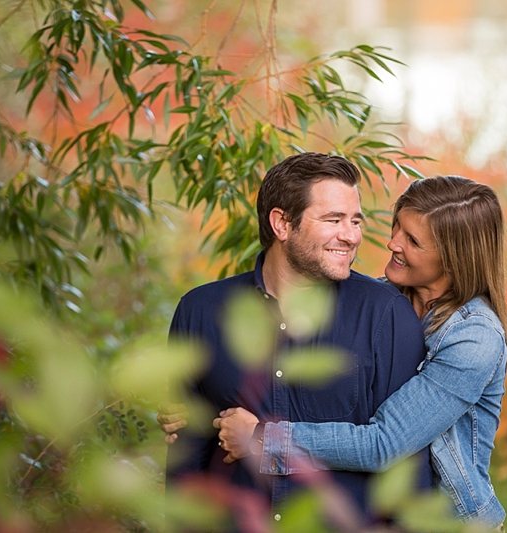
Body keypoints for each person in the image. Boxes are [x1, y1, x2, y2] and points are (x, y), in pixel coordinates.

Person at [208, 175, 507, 531]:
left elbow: (385, 442)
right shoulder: (380, 301)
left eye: (412, 240)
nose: (392, 243)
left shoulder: (474, 338)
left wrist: (264, 437)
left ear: (454, 257)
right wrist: (199, 408)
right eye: (396, 227)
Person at [164, 152, 430, 531]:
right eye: (333, 220)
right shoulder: (201, 311)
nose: (352, 235)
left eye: (355, 221)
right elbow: (186, 457)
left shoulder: (385, 315)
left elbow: (407, 466)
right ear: (282, 223)